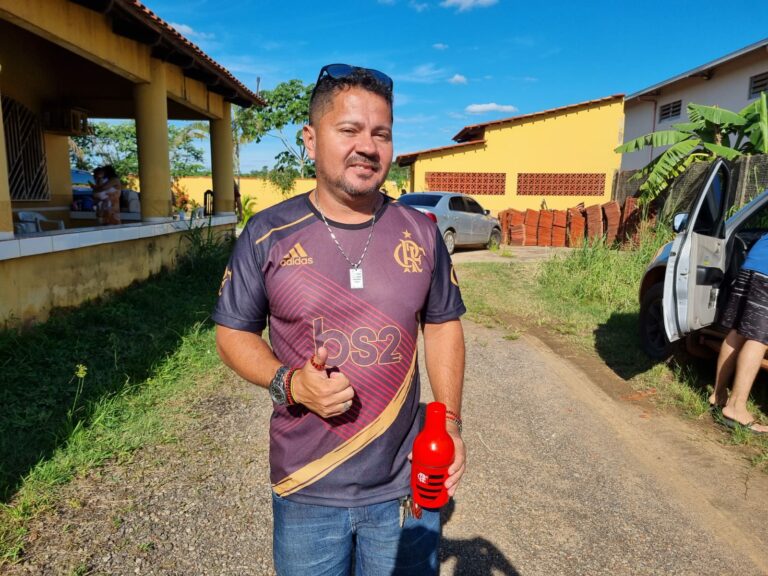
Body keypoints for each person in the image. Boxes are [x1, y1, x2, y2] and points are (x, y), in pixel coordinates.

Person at [212, 63, 467, 575]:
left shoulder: (420, 232)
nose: (367, 147)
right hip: (307, 483)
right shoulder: (268, 233)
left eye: (381, 134)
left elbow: (441, 324)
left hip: (404, 483)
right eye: (349, 130)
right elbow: (233, 331)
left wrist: (451, 421)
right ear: (311, 139)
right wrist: (290, 383)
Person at [711, 233, 768, 434]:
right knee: (759, 338)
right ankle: (736, 407)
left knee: (738, 331)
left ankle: (718, 395)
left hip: (753, 263)